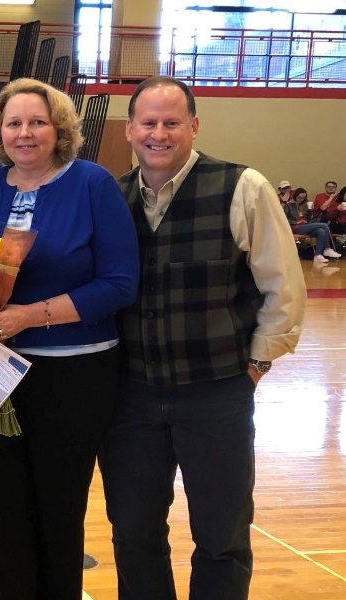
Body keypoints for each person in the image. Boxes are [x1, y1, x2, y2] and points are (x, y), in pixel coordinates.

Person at [101, 76, 307, 600]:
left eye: (172, 122)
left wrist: (257, 365)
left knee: (222, 535)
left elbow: (283, 287)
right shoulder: (111, 198)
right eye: (148, 123)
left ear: (193, 126)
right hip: (130, 397)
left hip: (216, 393)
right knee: (134, 532)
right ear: (130, 130)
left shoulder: (243, 187)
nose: (159, 134)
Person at [0, 78, 139, 600]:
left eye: (37, 122)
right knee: (0, 508)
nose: (25, 132)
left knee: (58, 509)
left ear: (59, 130)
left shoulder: (91, 184)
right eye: (14, 122)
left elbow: (119, 284)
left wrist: (28, 317)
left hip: (73, 375)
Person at [285, 187, 341, 263]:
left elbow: (308, 219)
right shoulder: (289, 205)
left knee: (320, 231)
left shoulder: (305, 204)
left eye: (303, 198)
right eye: (299, 197)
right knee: (324, 225)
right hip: (295, 226)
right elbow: (284, 219)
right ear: (295, 196)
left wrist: (310, 211)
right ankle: (327, 248)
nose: (301, 199)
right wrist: (295, 222)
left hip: (305, 225)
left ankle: (318, 255)